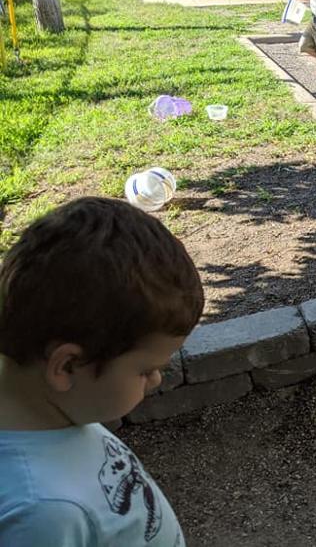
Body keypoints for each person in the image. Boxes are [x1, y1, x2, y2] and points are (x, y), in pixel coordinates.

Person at [0, 197, 204, 545]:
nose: (156, 380)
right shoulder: (42, 512)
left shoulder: (48, 408)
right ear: (67, 366)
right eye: (146, 370)